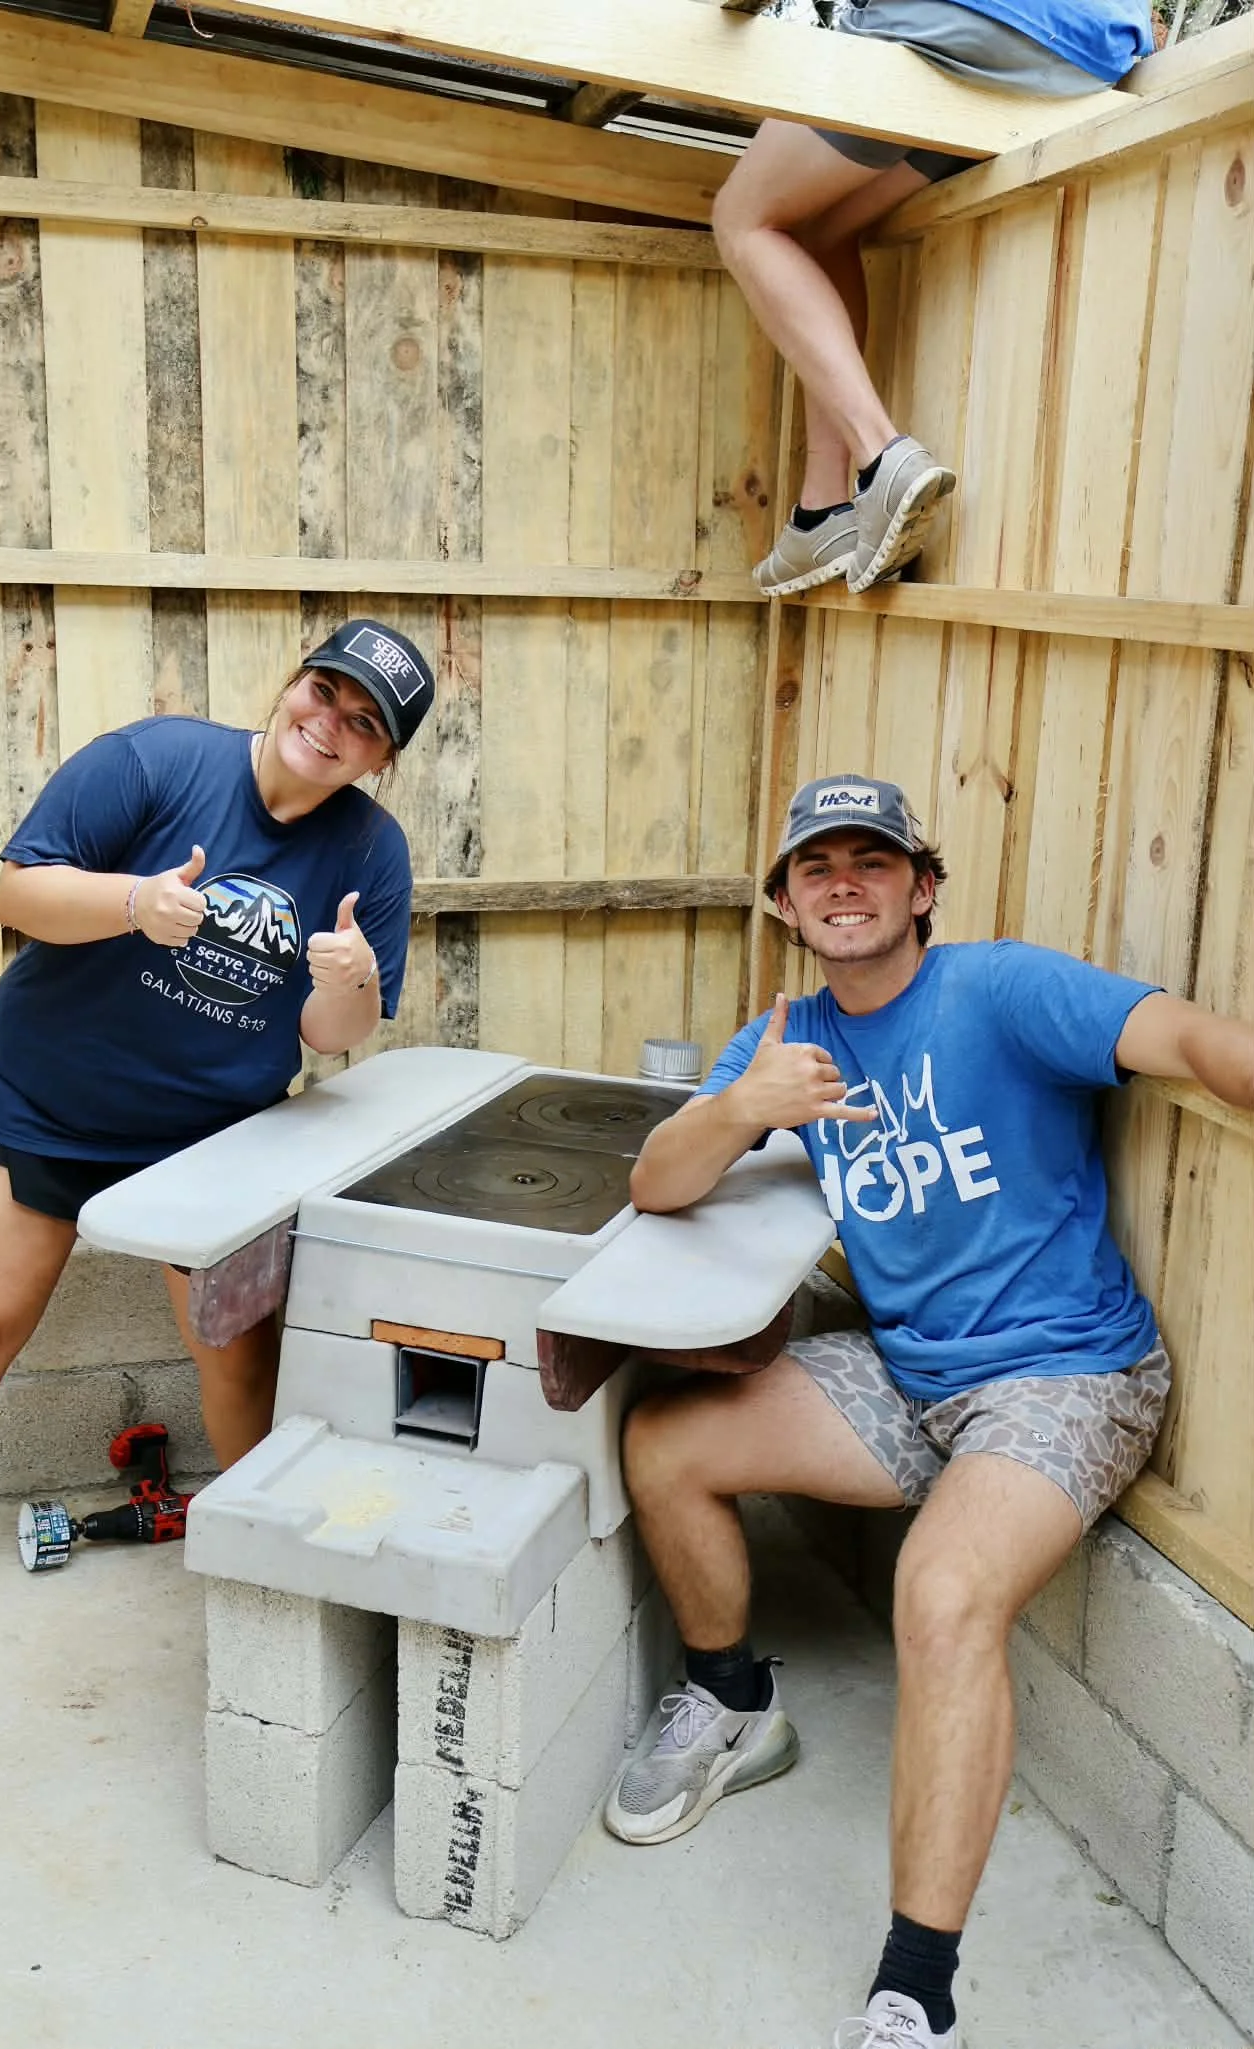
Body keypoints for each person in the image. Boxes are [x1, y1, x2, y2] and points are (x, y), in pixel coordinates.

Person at [602, 773, 1254, 2049]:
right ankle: (735, 1703)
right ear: (787, 906)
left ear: (921, 889)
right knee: (667, 1439)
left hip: (1066, 1376)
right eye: (816, 868)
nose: (843, 884)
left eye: (872, 861)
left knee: (942, 1599)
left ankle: (914, 1998)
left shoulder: (996, 990)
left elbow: (1183, 1041)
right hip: (916, 1375)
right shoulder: (791, 1035)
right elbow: (657, 1181)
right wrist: (741, 1107)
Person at [0, 619, 435, 1667]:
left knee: (232, 1351)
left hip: (211, 1138)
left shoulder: (372, 852)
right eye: (325, 694)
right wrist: (136, 903)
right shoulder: (157, 761)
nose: (330, 726)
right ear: (292, 684)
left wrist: (349, 983)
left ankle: (276, 1573)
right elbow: (19, 890)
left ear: (380, 759)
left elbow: (335, 1037)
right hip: (44, 1099)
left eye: (363, 724)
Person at [716, 1, 1154, 595]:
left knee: (742, 218)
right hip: (1082, 57)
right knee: (820, 232)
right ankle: (822, 510)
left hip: (959, 25)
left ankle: (883, 456)